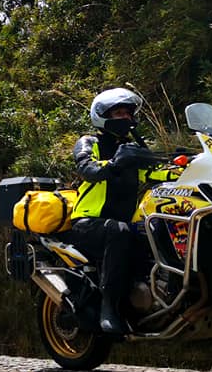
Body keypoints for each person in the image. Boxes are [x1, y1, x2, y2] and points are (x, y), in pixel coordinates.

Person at [69, 88, 171, 335]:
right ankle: (109, 307)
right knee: (121, 231)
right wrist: (114, 164)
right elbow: (87, 169)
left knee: (157, 231)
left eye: (128, 113)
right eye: (118, 112)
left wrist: (189, 169)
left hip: (123, 224)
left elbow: (157, 173)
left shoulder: (130, 149)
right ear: (103, 116)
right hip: (88, 223)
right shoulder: (89, 143)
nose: (125, 117)